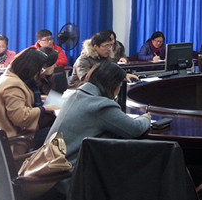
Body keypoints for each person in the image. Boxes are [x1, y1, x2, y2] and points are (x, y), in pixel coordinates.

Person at [47, 61, 151, 192]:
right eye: (119, 86)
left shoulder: (77, 95)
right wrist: (146, 118)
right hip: (71, 178)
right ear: (112, 84)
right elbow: (135, 129)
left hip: (51, 173)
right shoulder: (99, 105)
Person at [0, 47, 60, 156]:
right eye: (40, 70)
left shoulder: (10, 76)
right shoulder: (13, 85)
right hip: (12, 141)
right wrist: (45, 108)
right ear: (31, 69)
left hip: (4, 136)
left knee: (51, 126)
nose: (41, 73)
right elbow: (21, 118)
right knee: (57, 134)